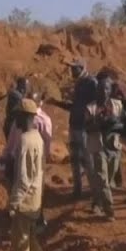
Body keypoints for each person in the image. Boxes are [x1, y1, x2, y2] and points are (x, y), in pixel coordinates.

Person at [5, 99, 57, 251]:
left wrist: (13, 203)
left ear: (25, 117)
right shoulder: (37, 138)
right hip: (35, 197)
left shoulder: (26, 141)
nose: (14, 119)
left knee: (21, 241)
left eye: (17, 115)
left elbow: (24, 179)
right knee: (30, 239)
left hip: (25, 200)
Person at [0, 91, 52, 232]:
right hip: (17, 159)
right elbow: (11, 142)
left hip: (35, 161)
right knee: (18, 187)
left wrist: (13, 204)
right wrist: (6, 157)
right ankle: (23, 220)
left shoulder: (42, 123)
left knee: (33, 191)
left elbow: (46, 145)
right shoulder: (19, 125)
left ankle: (36, 221)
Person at [47, 59, 97, 199]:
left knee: (88, 161)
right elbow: (74, 107)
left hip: (84, 128)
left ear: (81, 68)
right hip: (74, 126)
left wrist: (89, 116)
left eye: (74, 69)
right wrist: (57, 103)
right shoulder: (79, 84)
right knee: (75, 160)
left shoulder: (91, 83)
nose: (71, 71)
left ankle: (95, 193)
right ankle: (77, 190)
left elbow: (96, 104)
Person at [84, 76, 125, 220]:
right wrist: (99, 123)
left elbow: (123, 123)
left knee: (109, 178)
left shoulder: (117, 105)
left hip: (113, 146)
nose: (103, 91)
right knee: (103, 179)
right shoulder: (91, 108)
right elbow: (87, 127)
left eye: (106, 88)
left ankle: (98, 201)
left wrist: (114, 123)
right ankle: (110, 210)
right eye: (100, 88)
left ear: (110, 90)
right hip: (98, 146)